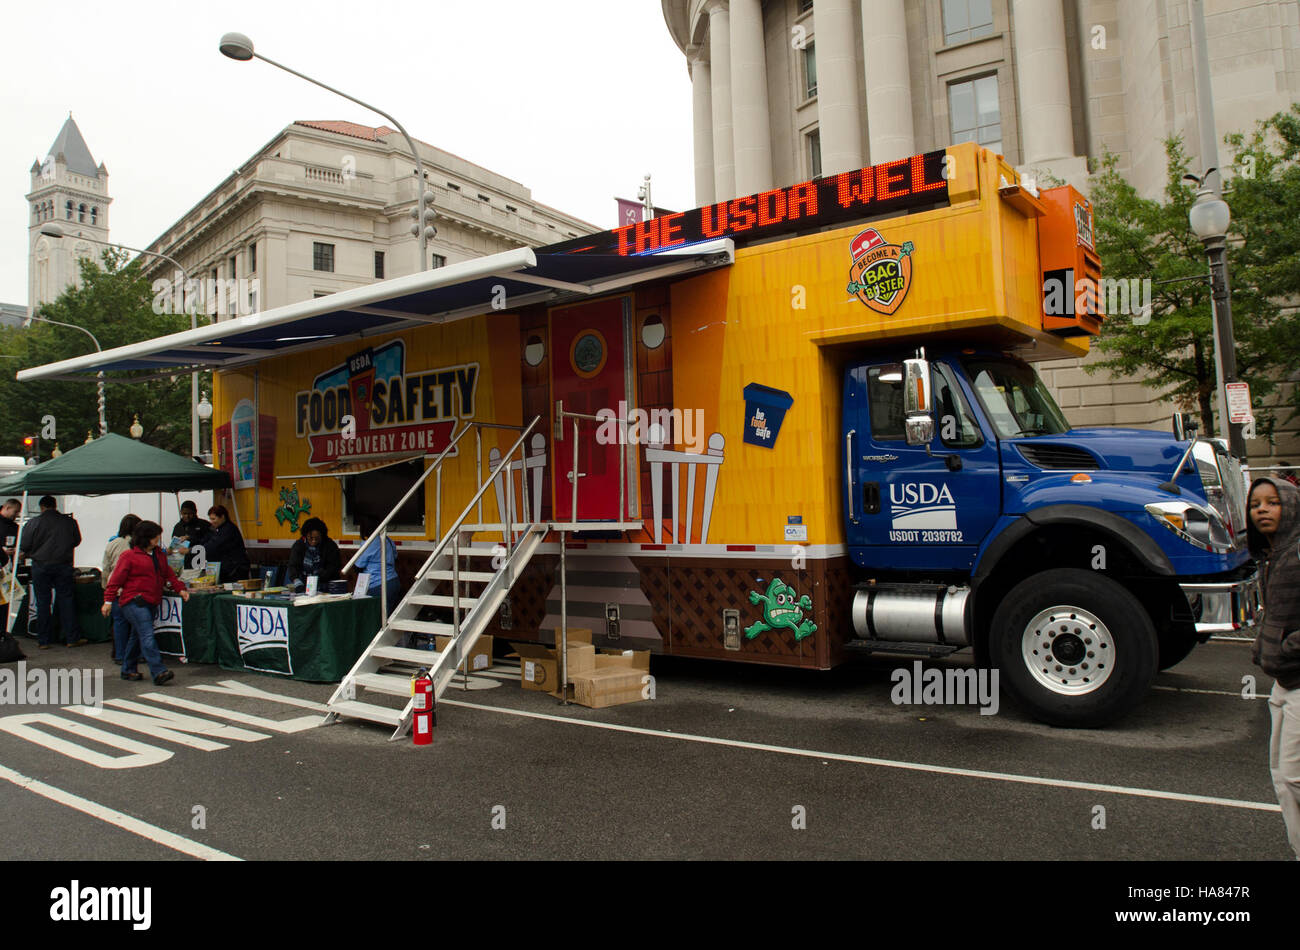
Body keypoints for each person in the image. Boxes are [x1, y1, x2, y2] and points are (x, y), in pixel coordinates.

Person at [1247, 475, 1300, 859]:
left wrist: (1285, 649)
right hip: (1282, 683)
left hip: (1298, 679)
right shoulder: (1274, 555)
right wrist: (1263, 648)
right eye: (1255, 505)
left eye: (1272, 502)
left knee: (1295, 779)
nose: (1262, 510)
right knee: (1283, 779)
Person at [101, 520, 189, 685]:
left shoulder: (158, 554)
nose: (158, 539)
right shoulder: (128, 556)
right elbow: (116, 580)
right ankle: (158, 671)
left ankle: (128, 669)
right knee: (147, 634)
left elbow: (168, 573)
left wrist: (180, 588)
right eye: (156, 536)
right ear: (147, 538)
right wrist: (108, 601)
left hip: (150, 601)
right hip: (134, 601)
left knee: (137, 636)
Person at [19, 495, 85, 650]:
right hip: (63, 565)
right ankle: (71, 638)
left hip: (40, 566)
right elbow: (77, 541)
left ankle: (44, 640)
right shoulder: (69, 522)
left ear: (42, 507)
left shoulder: (33, 522)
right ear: (55, 506)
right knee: (66, 600)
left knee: (43, 602)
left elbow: (25, 544)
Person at [103, 514, 141, 664]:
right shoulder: (135, 545)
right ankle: (135, 654)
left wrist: (106, 588)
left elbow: (105, 567)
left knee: (119, 623)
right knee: (136, 624)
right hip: (131, 589)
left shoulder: (112, 543)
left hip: (115, 588)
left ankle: (120, 654)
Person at [354, 516, 400, 613]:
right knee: (388, 616)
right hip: (394, 582)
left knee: (376, 619)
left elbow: (358, 566)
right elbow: (395, 557)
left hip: (377, 585)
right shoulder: (388, 540)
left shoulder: (368, 543)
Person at [286, 517, 342, 592]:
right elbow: (293, 565)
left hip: (327, 586)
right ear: (305, 535)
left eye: (317, 538)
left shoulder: (330, 546)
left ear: (322, 536)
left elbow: (334, 567)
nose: (314, 541)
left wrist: (320, 577)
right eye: (311, 538)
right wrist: (296, 580)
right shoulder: (299, 545)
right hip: (303, 585)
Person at [203, 505, 250, 583]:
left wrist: (192, 550)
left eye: (213, 519)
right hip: (228, 569)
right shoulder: (219, 529)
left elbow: (213, 545)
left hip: (235, 570)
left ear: (222, 517)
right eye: (210, 519)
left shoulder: (228, 529)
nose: (211, 522)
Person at [169, 500, 209, 568]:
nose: (187, 516)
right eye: (184, 513)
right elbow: (174, 544)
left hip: (200, 562)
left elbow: (210, 542)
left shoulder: (204, 524)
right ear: (181, 512)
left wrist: (190, 538)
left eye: (190, 513)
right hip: (182, 563)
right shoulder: (178, 526)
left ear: (195, 512)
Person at [0, 498, 19, 633]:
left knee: (6, 602)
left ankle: (3, 632)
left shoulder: (14, 526)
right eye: (15, 512)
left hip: (6, 569)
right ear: (7, 508)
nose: (17, 515)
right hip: (3, 563)